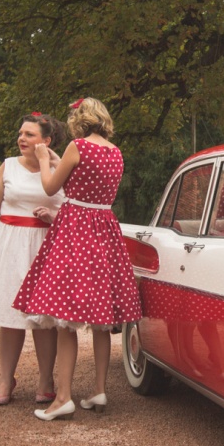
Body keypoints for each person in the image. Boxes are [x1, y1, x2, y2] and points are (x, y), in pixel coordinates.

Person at [12, 98, 142, 421]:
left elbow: (50, 185)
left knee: (64, 317)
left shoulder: (77, 146)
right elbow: (87, 177)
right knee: (100, 319)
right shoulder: (115, 152)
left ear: (80, 119)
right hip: (104, 230)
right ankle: (99, 390)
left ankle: (64, 398)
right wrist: (58, 158)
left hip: (75, 229)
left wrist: (44, 159)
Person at [0, 112, 66, 406]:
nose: (22, 139)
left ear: (46, 141)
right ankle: (6, 379)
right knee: (10, 317)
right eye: (21, 133)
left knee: (44, 319)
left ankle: (46, 380)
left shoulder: (62, 169)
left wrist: (53, 215)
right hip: (9, 244)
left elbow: (73, 210)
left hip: (45, 247)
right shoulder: (7, 167)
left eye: (29, 135)